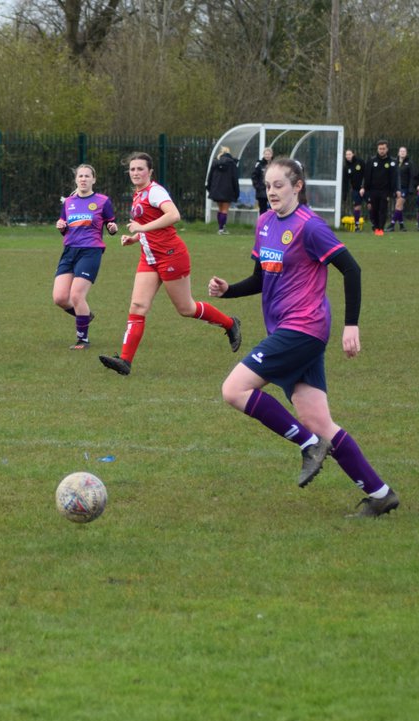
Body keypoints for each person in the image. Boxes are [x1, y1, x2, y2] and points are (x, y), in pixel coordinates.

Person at [207, 157, 399, 518]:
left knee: (233, 389)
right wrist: (227, 290)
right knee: (318, 420)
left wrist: (351, 325)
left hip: (304, 328)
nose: (272, 192)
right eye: (267, 186)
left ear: (297, 186)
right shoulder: (264, 223)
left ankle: (310, 446)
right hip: (288, 330)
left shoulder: (310, 227)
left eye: (279, 185)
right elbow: (262, 279)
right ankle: (380, 493)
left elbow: (351, 269)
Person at [99, 151, 242, 376]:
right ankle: (125, 361)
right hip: (149, 257)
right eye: (132, 169)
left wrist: (142, 229)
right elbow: (151, 223)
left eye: (140, 169)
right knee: (137, 306)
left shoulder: (155, 191)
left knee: (186, 308)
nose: (135, 173)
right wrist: (135, 238)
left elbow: (174, 215)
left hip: (171, 255)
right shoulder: (138, 193)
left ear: (150, 172)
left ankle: (229, 323)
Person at [54, 164, 118, 350]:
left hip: (91, 251)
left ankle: (83, 339)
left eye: (87, 176)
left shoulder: (102, 201)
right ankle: (85, 315)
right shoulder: (68, 202)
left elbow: (111, 225)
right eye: (80, 176)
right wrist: (61, 227)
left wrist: (113, 229)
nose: (83, 179)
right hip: (69, 251)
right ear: (76, 180)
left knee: (76, 295)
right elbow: (65, 227)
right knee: (59, 298)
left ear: (93, 179)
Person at [359, 139, 399, 236]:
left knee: (383, 209)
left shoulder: (392, 162)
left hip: (385, 191)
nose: (382, 150)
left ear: (387, 149)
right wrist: (363, 187)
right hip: (373, 190)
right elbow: (367, 176)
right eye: (380, 149)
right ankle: (376, 226)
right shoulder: (372, 161)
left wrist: (397, 190)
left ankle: (380, 228)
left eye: (383, 148)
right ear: (377, 149)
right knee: (373, 210)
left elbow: (395, 178)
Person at [205, 146, 240, 235]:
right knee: (224, 210)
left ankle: (220, 228)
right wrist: (236, 192)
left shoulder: (215, 162)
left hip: (216, 189)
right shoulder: (232, 164)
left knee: (220, 209)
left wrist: (209, 188)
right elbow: (234, 179)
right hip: (228, 190)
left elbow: (210, 177)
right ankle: (222, 229)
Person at [388, 146, 412, 232]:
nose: (402, 153)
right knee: (399, 207)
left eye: (404, 151)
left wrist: (410, 189)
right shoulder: (394, 162)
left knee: (398, 205)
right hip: (396, 188)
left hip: (404, 188)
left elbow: (411, 177)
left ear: (406, 153)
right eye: (401, 151)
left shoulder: (409, 163)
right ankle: (401, 225)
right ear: (398, 153)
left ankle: (392, 224)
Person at [342, 149, 365, 231]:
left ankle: (374, 224)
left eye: (349, 154)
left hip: (366, 188)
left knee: (370, 205)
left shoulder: (360, 162)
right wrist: (344, 194)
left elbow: (366, 174)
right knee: (357, 206)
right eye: (346, 154)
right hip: (355, 189)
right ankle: (357, 226)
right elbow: (345, 181)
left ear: (353, 154)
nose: (348, 156)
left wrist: (363, 186)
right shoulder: (346, 167)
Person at [251, 147, 273, 215]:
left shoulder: (275, 164)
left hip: (272, 190)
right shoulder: (259, 164)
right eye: (266, 154)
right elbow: (254, 176)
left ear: (271, 155)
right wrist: (257, 186)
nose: (267, 156)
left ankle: (273, 224)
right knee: (263, 209)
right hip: (262, 191)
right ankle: (263, 224)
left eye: (269, 154)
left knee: (273, 209)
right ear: (263, 154)